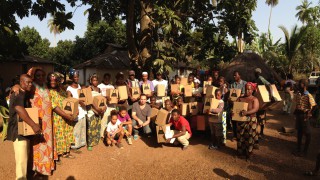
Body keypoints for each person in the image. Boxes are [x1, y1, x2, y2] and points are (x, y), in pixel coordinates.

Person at [7, 74, 41, 179]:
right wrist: (34, 125)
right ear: (21, 83)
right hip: (18, 131)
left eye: (31, 82)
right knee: (21, 160)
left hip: (23, 130)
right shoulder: (18, 94)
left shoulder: (23, 93)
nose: (30, 84)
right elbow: (19, 109)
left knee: (24, 157)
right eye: (28, 82)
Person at [27, 67, 58, 175]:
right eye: (38, 76)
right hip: (37, 121)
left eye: (42, 75)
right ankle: (38, 168)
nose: (40, 77)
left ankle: (47, 165)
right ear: (33, 77)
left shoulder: (44, 85)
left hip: (48, 121)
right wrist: (16, 86)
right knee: (38, 144)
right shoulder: (31, 87)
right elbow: (20, 88)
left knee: (47, 142)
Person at [47, 72, 75, 163]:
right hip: (57, 118)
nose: (53, 82)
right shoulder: (49, 92)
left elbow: (68, 101)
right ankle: (57, 155)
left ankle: (65, 152)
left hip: (65, 117)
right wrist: (66, 115)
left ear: (59, 81)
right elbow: (54, 107)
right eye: (51, 80)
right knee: (57, 136)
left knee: (66, 134)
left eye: (55, 80)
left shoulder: (62, 91)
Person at [293, 79, 316, 157]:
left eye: (300, 84)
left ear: (304, 85)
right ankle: (298, 149)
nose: (298, 85)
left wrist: (309, 114)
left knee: (308, 134)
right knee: (299, 132)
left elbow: (314, 106)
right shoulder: (299, 94)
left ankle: (305, 151)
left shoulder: (308, 95)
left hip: (304, 116)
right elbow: (298, 104)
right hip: (299, 115)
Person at [237, 82, 259, 160]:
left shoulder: (254, 99)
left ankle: (249, 153)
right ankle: (241, 152)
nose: (247, 91)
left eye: (249, 90)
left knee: (250, 137)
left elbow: (255, 109)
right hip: (241, 120)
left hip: (251, 120)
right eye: (246, 89)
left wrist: (247, 113)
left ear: (252, 90)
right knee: (241, 136)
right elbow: (236, 107)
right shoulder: (240, 98)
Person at [67, 69, 87, 152]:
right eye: (74, 77)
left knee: (83, 127)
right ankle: (75, 146)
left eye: (77, 76)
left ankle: (81, 143)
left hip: (82, 110)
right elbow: (69, 100)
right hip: (77, 111)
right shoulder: (69, 89)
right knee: (76, 128)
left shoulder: (80, 87)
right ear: (71, 78)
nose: (76, 78)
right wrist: (79, 102)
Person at [86, 74, 105, 151]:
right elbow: (89, 100)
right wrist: (96, 108)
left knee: (97, 126)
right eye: (93, 80)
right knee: (91, 127)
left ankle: (96, 140)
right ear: (91, 81)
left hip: (99, 111)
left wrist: (103, 107)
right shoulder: (89, 88)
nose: (95, 82)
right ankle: (90, 143)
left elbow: (102, 99)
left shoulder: (99, 89)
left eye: (96, 80)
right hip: (91, 110)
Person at [229, 71, 247, 141]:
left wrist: (238, 98)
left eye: (235, 75)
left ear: (240, 76)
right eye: (233, 75)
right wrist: (230, 99)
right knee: (233, 120)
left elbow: (244, 94)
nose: (234, 77)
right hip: (233, 105)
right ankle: (235, 135)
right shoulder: (232, 85)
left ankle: (241, 135)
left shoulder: (244, 83)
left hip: (241, 104)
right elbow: (230, 95)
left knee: (241, 120)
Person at [98, 73, 115, 138]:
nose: (107, 79)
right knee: (103, 121)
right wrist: (106, 97)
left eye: (108, 78)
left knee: (111, 120)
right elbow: (98, 96)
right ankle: (102, 135)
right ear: (103, 78)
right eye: (106, 78)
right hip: (104, 106)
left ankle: (110, 135)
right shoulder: (100, 86)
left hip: (112, 106)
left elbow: (114, 96)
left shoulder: (112, 87)